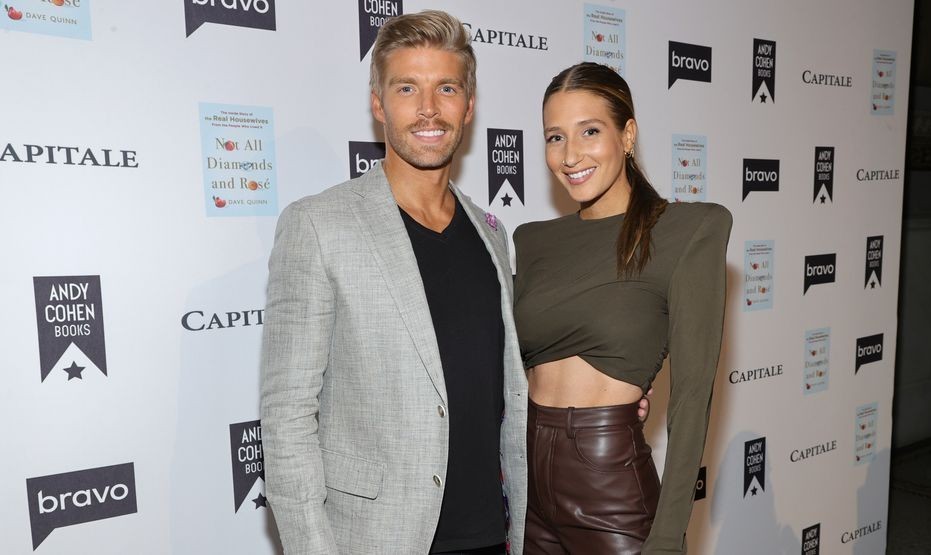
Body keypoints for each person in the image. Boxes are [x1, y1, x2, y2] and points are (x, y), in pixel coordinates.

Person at [259, 11, 528, 554]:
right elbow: (287, 417)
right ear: (378, 103)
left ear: (469, 105)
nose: (428, 108)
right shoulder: (319, 225)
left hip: (490, 537)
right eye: (407, 88)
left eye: (445, 88)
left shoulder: (493, 235)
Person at [513, 62, 732, 554]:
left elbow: (693, 396)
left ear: (627, 134)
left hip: (608, 483)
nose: (570, 156)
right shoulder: (533, 241)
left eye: (590, 131)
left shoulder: (688, 230)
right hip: (528, 485)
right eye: (554, 137)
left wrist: (669, 536)